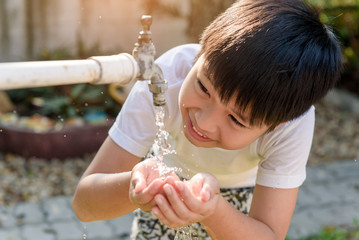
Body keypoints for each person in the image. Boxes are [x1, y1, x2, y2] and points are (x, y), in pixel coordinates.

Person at [72, 0, 342, 239]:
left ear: (276, 125)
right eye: (203, 87)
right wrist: (135, 185)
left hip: (241, 201)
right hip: (161, 180)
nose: (204, 122)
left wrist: (212, 210)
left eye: (236, 120)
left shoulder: (292, 123)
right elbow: (84, 204)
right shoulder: (164, 78)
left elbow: (268, 233)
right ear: (200, 54)